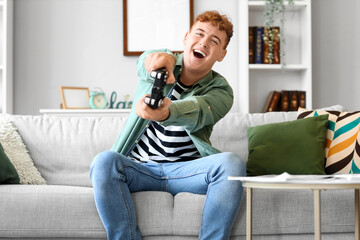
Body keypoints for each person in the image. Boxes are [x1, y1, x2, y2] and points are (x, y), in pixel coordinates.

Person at [90, 10, 246, 240]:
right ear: (186, 38)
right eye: (199, 34)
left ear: (221, 54)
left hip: (188, 171)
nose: (203, 42)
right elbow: (145, 62)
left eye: (214, 41)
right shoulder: (162, 64)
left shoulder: (222, 91)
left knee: (231, 164)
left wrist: (167, 112)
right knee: (104, 161)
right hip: (139, 169)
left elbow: (199, 110)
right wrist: (161, 60)